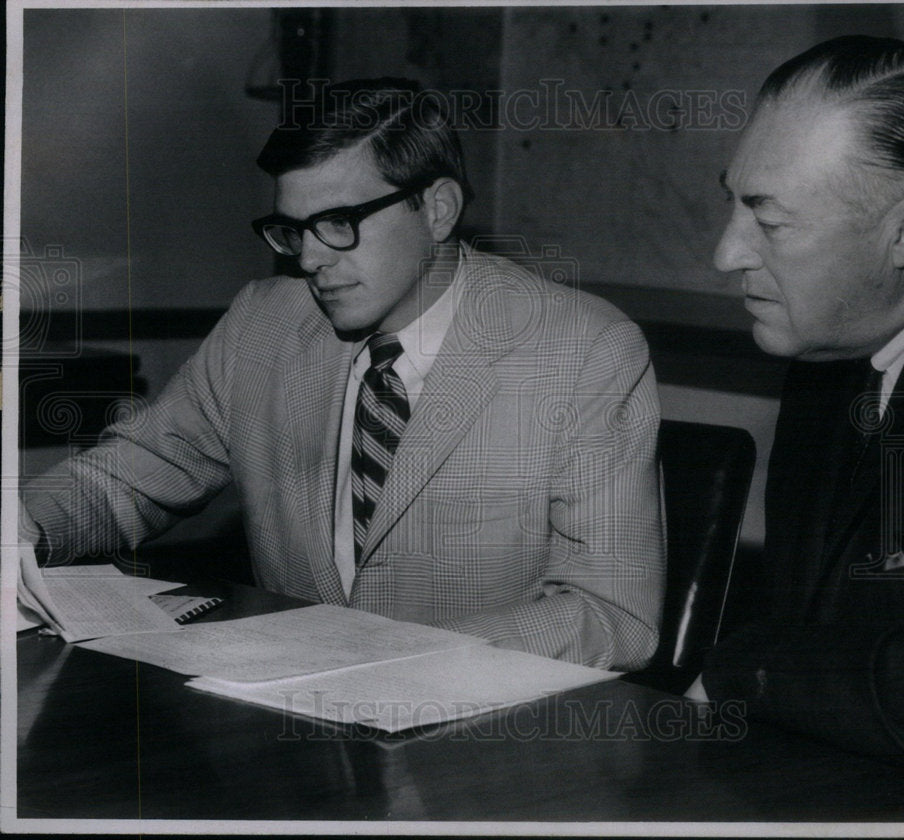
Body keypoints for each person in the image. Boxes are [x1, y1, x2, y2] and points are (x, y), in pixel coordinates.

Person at [20, 79, 665, 670]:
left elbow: (611, 615)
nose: (309, 258)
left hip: (481, 739)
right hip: (288, 731)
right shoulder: (262, 325)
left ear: (438, 209)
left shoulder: (583, 351)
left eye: (338, 223)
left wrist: (390, 661)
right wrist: (23, 525)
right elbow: (126, 480)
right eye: (292, 229)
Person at [693, 36, 904, 778]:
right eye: (733, 201)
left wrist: (743, 668)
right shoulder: (832, 346)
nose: (726, 255)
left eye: (771, 218)